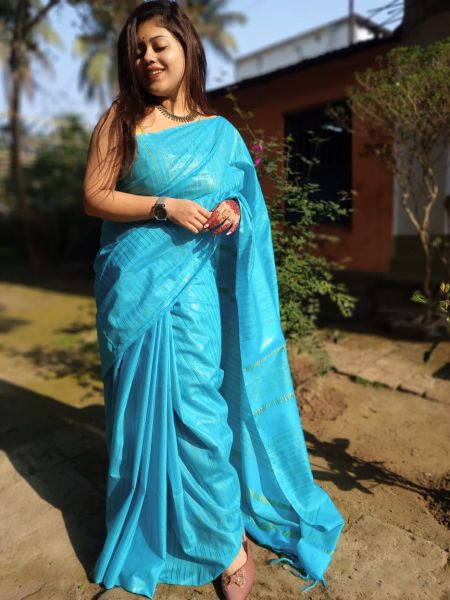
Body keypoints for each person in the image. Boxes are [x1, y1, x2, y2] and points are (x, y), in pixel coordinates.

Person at [83, 1, 345, 599]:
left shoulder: (221, 133)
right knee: (137, 418)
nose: (148, 58)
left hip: (195, 295)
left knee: (199, 415)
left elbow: (242, 202)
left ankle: (227, 540)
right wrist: (164, 207)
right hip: (133, 292)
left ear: (186, 48)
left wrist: (231, 208)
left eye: (159, 45)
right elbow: (95, 196)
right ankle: (163, 529)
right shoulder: (121, 120)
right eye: (138, 50)